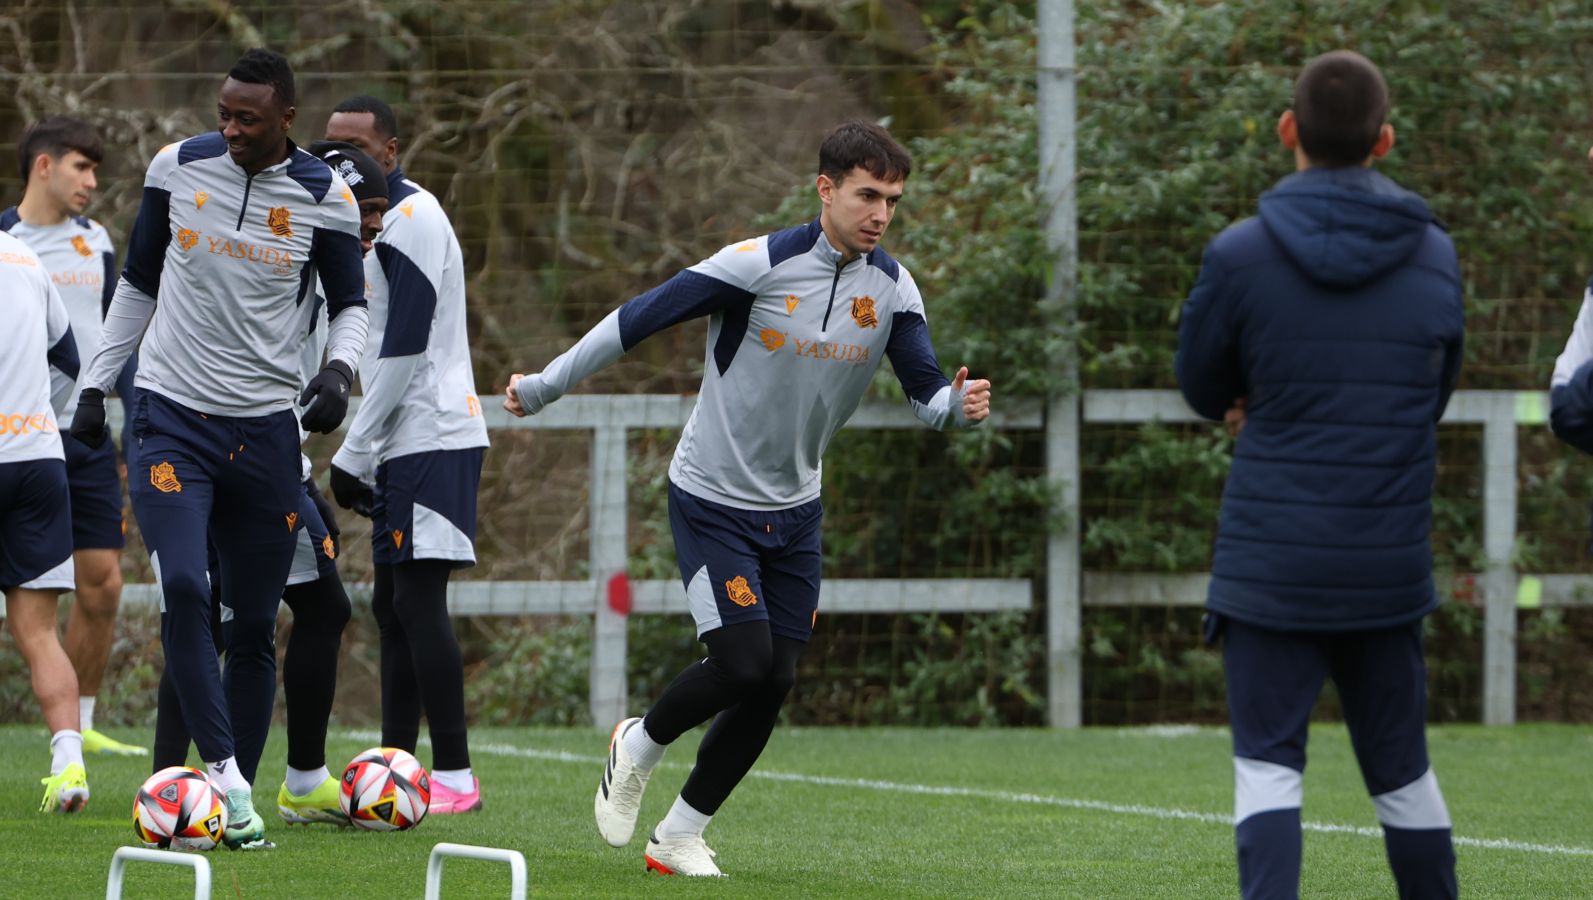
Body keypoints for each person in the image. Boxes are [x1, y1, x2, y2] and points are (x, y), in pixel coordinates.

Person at [505, 121, 992, 877]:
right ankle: (637, 744)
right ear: (825, 189)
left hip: (796, 510)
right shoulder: (756, 264)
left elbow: (927, 390)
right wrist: (542, 388)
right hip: (710, 499)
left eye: (893, 200)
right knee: (739, 661)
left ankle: (679, 836)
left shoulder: (891, 287)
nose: (881, 214)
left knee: (775, 679)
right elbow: (634, 321)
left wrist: (952, 409)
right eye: (867, 195)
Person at [1175, 51, 1462, 899]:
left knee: (1268, 773)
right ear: (1385, 141)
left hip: (1271, 565)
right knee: (1403, 777)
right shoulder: (1435, 254)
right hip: (1385, 562)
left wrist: (1252, 398)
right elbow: (1432, 392)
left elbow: (1199, 385)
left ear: (1287, 131)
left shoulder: (1238, 253)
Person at [70, 48, 369, 849]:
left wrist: (340, 371)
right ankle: (229, 784)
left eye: (247, 118)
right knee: (188, 591)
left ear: (287, 120)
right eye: (223, 114)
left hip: (266, 434)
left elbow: (351, 306)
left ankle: (228, 782)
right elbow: (137, 282)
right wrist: (96, 390)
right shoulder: (178, 168)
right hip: (171, 418)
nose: (230, 129)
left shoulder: (326, 200)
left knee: (254, 624)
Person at [143, 143, 390, 829]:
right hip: (239, 461)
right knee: (221, 606)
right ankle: (264, 781)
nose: (371, 228)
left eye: (377, 215)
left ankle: (194, 781)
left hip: (274, 464)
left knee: (232, 612)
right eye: (364, 213)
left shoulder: (333, 271)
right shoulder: (281, 254)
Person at [323, 95, 490, 814]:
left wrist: (352, 450)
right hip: (399, 437)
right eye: (331, 145)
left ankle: (454, 777)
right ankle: (397, 768)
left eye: (357, 147)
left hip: (434, 433)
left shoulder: (411, 218)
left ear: (390, 152)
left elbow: (407, 342)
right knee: (392, 605)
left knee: (419, 602)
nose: (342, 160)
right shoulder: (344, 220)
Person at [3, 117, 147, 758]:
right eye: (80, 167)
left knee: (102, 583)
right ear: (43, 166)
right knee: (31, 604)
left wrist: (131, 419)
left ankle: (79, 723)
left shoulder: (97, 241)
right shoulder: (7, 241)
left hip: (84, 435)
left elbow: (115, 336)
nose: (91, 181)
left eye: (95, 169)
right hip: (27, 437)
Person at [0, 225, 87, 812]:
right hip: (35, 457)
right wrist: (32, 414)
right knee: (38, 631)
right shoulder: (22, 253)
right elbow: (68, 358)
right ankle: (69, 765)